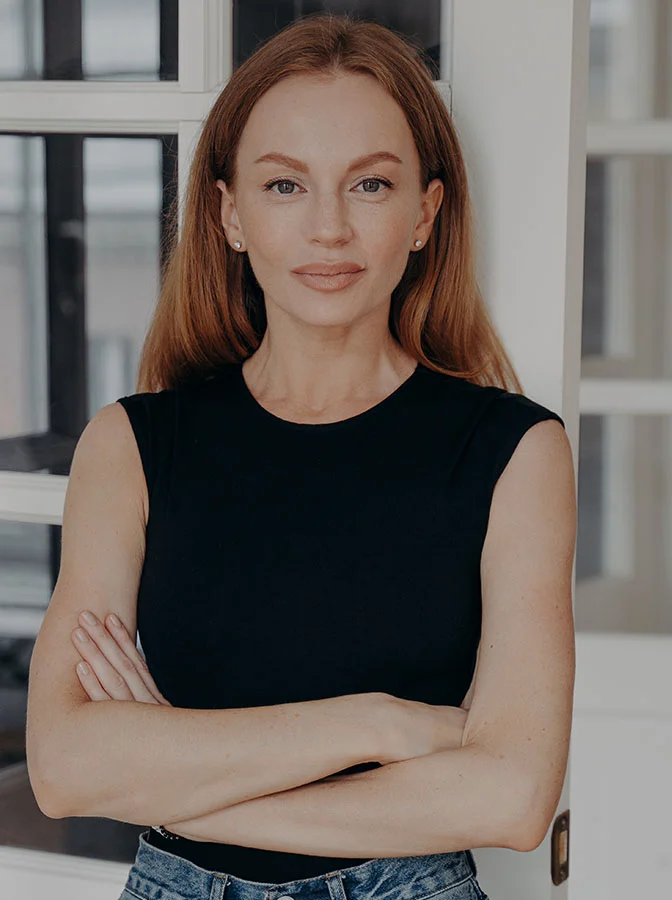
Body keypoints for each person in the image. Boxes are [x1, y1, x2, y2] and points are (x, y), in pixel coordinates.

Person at [25, 12, 576, 900]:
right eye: (285, 187)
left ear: (425, 213)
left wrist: (178, 791)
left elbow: (511, 796)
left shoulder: (516, 453)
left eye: (369, 186)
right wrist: (377, 725)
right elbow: (63, 765)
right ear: (229, 213)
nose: (328, 229)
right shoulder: (130, 445)